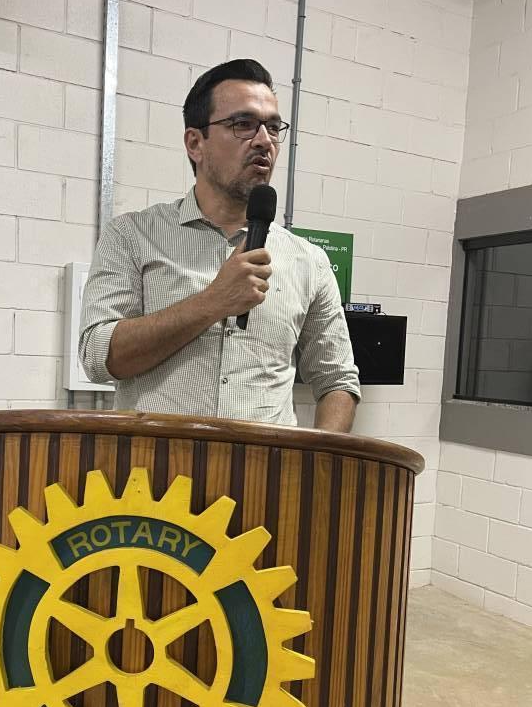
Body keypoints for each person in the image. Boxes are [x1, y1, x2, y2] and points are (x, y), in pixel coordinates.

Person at [79, 59, 360, 431]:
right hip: (157, 465)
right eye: (243, 124)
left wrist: (318, 460)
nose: (264, 141)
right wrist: (214, 301)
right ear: (195, 143)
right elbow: (98, 356)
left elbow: (338, 379)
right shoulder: (132, 236)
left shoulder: (309, 261)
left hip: (264, 467)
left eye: (273, 127)